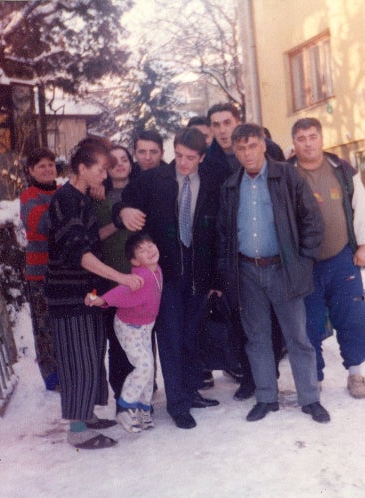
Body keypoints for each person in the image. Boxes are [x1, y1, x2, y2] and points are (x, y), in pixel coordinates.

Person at [216, 123, 330, 423]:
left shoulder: (287, 177)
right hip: (246, 271)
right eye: (240, 148)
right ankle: (266, 397)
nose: (247, 153)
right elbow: (223, 233)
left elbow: (312, 222)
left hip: (283, 269)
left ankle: (309, 399)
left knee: (297, 337)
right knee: (257, 338)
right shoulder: (230, 186)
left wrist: (302, 263)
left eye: (252, 145)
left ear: (264, 145)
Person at [113, 127, 221, 430]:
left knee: (191, 335)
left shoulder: (212, 182)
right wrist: (123, 213)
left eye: (190, 158)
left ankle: (190, 391)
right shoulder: (152, 181)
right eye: (179, 155)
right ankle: (178, 404)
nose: (183, 163)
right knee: (171, 338)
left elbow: (217, 230)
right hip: (165, 274)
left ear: (201, 157)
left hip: (199, 273)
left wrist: (216, 277)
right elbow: (122, 206)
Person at [46, 137, 143, 450]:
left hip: (84, 292)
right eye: (101, 169)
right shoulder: (66, 200)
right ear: (82, 168)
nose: (105, 175)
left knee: (89, 355)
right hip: (68, 294)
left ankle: (86, 416)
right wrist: (121, 279)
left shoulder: (81, 198)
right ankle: (77, 429)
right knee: (78, 359)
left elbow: (92, 238)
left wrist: (115, 223)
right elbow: (80, 253)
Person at [289, 118, 365, 399]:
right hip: (306, 263)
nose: (307, 143)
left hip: (342, 258)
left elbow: (361, 206)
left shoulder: (342, 170)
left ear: (321, 138)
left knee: (352, 317)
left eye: (312, 136)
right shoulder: (286, 174)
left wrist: (364, 244)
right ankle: (312, 378)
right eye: (301, 138)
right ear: (294, 143)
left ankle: (355, 373)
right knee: (309, 323)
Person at [203, 103, 286, 400]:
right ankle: (249, 376)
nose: (222, 129)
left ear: (239, 122)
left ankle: (270, 373)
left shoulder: (270, 150)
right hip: (231, 248)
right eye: (216, 124)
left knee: (272, 319)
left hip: (269, 248)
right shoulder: (208, 161)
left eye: (227, 122)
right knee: (240, 318)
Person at [86, 233, 162, 433]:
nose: (150, 250)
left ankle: (143, 410)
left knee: (150, 369)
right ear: (135, 261)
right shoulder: (140, 278)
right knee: (144, 366)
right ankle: (126, 407)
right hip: (130, 328)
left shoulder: (156, 270)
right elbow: (122, 292)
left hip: (145, 327)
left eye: (150, 245)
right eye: (142, 250)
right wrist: (101, 300)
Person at [93, 145, 136, 406]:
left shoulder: (141, 190)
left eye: (124, 159)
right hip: (112, 277)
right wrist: (117, 222)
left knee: (142, 336)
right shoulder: (99, 196)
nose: (120, 164)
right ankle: (121, 391)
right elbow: (93, 237)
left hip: (140, 278)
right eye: (114, 161)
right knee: (117, 338)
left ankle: (143, 385)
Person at [20, 147, 59, 391]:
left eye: (50, 165)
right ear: (31, 171)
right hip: (40, 272)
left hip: (64, 271)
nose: (47, 169)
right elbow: (43, 224)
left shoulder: (62, 191)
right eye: (41, 166)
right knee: (45, 326)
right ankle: (52, 377)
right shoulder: (28, 196)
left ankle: (67, 369)